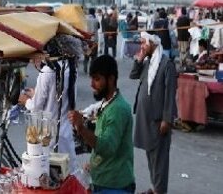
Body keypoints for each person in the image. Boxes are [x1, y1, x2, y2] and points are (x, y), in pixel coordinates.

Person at [68, 55, 135, 194]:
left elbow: (106, 147)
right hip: (102, 181)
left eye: (97, 79)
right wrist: (93, 163)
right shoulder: (107, 104)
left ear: (110, 79)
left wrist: (81, 127)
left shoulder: (117, 109)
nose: (92, 84)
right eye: (92, 78)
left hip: (115, 186)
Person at [19, 35, 80, 173]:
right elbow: (59, 97)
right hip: (66, 131)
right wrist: (36, 93)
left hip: (51, 134)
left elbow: (36, 107)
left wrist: (26, 101)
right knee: (68, 173)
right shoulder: (71, 68)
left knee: (50, 175)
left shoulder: (47, 72)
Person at [130, 33, 176, 194]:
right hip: (146, 118)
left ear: (153, 43)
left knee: (160, 160)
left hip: (158, 120)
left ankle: (159, 191)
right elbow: (133, 75)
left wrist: (167, 119)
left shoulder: (166, 64)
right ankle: (155, 187)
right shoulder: (149, 62)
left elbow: (170, 94)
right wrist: (139, 58)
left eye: (144, 43)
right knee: (151, 156)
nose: (141, 46)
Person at [84, 8, 99, 74]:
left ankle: (85, 68)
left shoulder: (85, 19)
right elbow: (98, 27)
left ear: (89, 12)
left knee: (87, 54)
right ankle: (91, 69)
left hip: (87, 40)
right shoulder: (96, 20)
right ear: (94, 12)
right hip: (94, 40)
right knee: (94, 56)